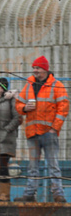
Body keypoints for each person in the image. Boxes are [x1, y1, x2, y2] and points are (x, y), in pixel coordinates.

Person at [15, 56, 68, 203]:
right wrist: (24, 108)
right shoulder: (29, 85)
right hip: (33, 132)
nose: (35, 70)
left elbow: (63, 108)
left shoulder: (57, 85)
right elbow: (18, 104)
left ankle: (58, 194)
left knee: (53, 165)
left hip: (48, 132)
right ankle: (30, 194)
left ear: (45, 69)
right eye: (34, 68)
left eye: (37, 68)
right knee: (33, 166)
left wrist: (54, 128)